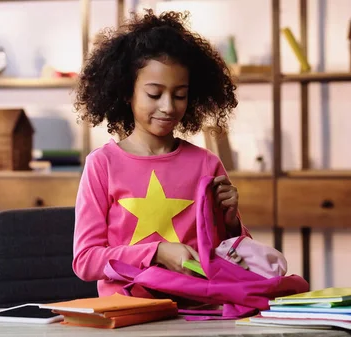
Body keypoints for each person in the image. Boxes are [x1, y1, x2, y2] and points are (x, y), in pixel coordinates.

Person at [71, 9, 251, 297]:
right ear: (126, 92)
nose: (168, 106)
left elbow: (236, 260)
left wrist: (231, 222)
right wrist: (157, 252)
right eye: (154, 94)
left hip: (197, 313)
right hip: (129, 316)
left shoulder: (207, 163)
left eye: (180, 95)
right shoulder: (102, 165)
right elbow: (85, 261)